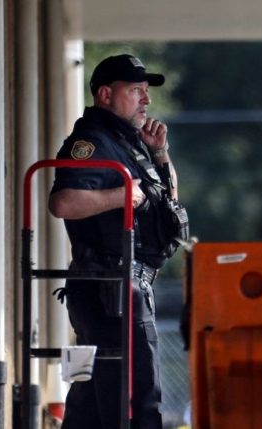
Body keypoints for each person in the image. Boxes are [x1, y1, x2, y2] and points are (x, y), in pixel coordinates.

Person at [48, 54, 187, 429]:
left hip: (125, 286)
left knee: (90, 402)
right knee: (138, 400)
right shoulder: (91, 142)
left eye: (146, 92)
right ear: (106, 94)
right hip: (109, 288)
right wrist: (119, 197)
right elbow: (63, 202)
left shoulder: (129, 143)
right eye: (136, 91)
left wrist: (160, 153)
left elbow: (168, 200)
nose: (147, 100)